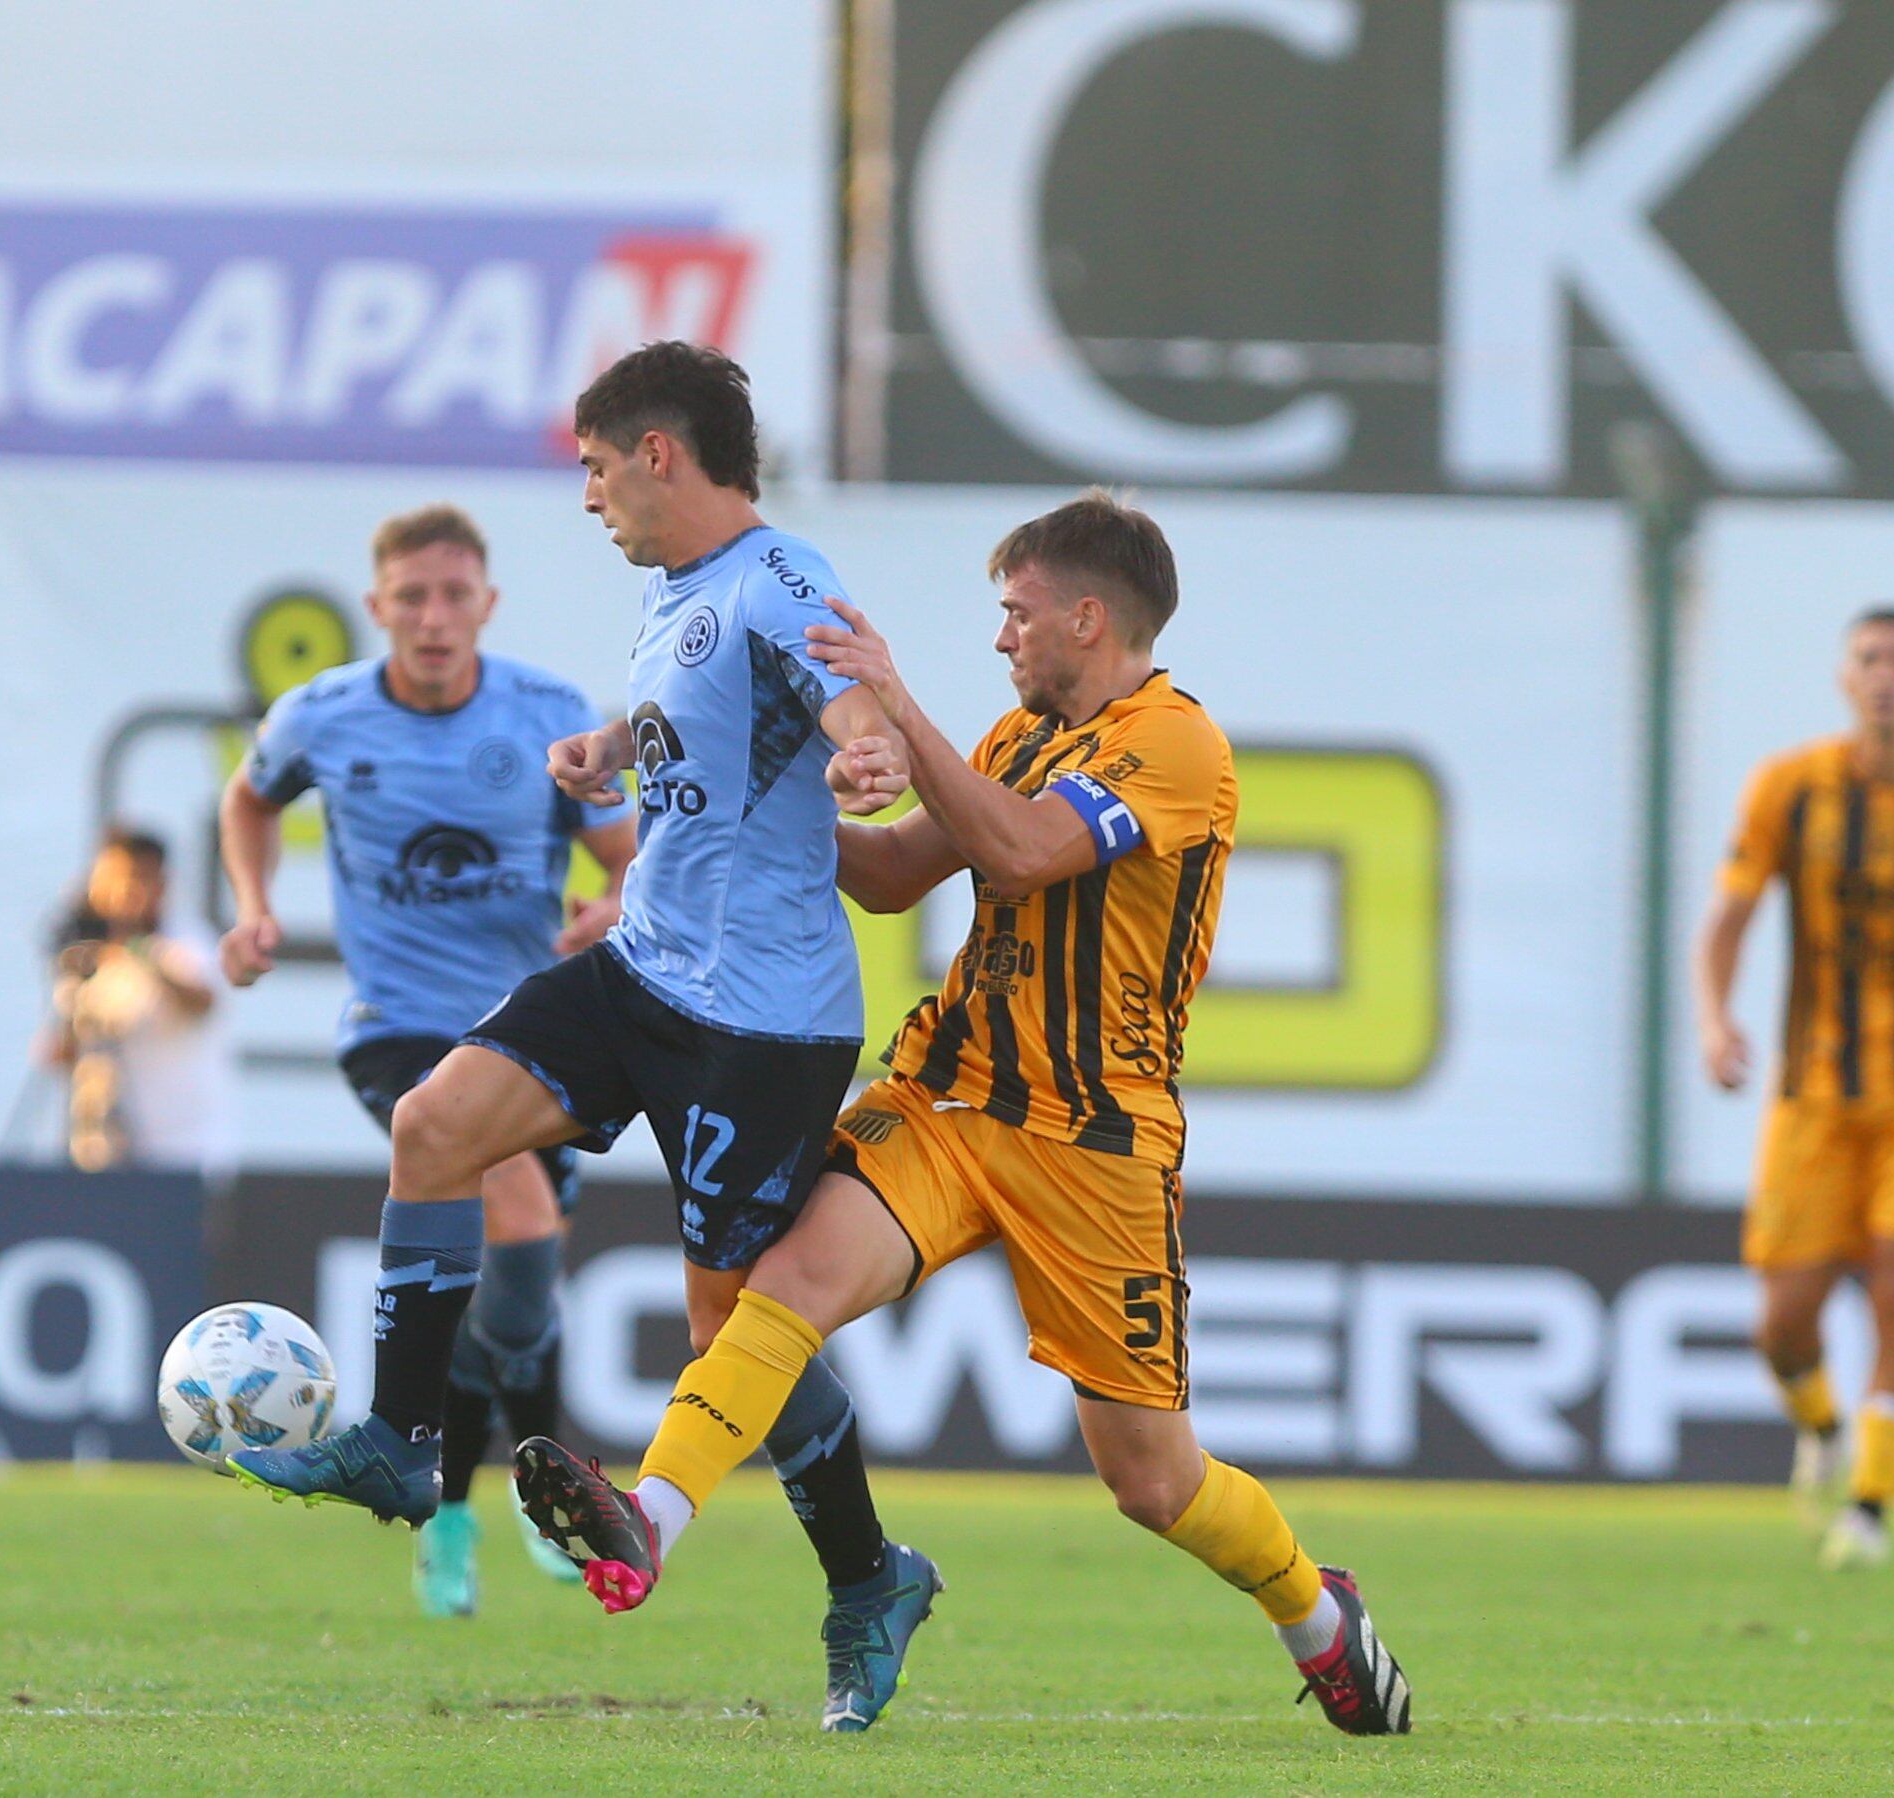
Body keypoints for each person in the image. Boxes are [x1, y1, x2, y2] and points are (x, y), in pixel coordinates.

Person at [514, 492, 1417, 1738]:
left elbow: (1030, 853)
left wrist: (896, 698)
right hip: (951, 1098)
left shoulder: (1178, 745)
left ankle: (1315, 1612)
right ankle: (648, 1527)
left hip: (1095, 1144)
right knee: (786, 1284)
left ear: (1087, 618)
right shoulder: (1017, 737)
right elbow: (889, 876)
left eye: (1018, 613)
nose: (1003, 640)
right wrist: (728, 804)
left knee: (1153, 1482)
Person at [224, 342, 931, 1731]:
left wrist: (874, 748)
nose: (590, 495)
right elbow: (719, 715)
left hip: (763, 1021)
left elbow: (841, 692)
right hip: (642, 965)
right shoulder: (678, 598)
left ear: (658, 454)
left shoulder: (780, 577)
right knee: (433, 1125)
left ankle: (869, 1575)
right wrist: (613, 747)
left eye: (597, 467)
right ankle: (408, 1443)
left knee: (734, 1327)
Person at [218, 501, 638, 1617]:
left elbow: (625, 853)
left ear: (486, 605)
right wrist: (255, 908)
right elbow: (249, 797)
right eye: (413, 597)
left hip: (532, 1034)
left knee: (508, 1286)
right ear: (378, 609)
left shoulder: (547, 713)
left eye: (455, 595)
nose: (435, 616)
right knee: (518, 1221)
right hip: (399, 1030)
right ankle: (518, 1496)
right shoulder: (324, 716)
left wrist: (610, 904)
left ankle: (450, 1509)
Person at [1695, 607, 1894, 1570]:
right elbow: (1727, 917)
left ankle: (1871, 1508)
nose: (1885, 675)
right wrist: (1716, 1020)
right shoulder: (1790, 788)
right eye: (1869, 659)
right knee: (1782, 1319)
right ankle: (1824, 1426)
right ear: (1845, 679)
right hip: (1813, 1094)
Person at [41, 829, 234, 1178]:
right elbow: (63, 1054)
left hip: (181, 1157)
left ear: (161, 884)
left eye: (135, 880)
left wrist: (140, 950)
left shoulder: (185, 941)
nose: (123, 894)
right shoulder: (87, 959)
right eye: (111, 880)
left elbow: (202, 1002)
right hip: (103, 1155)